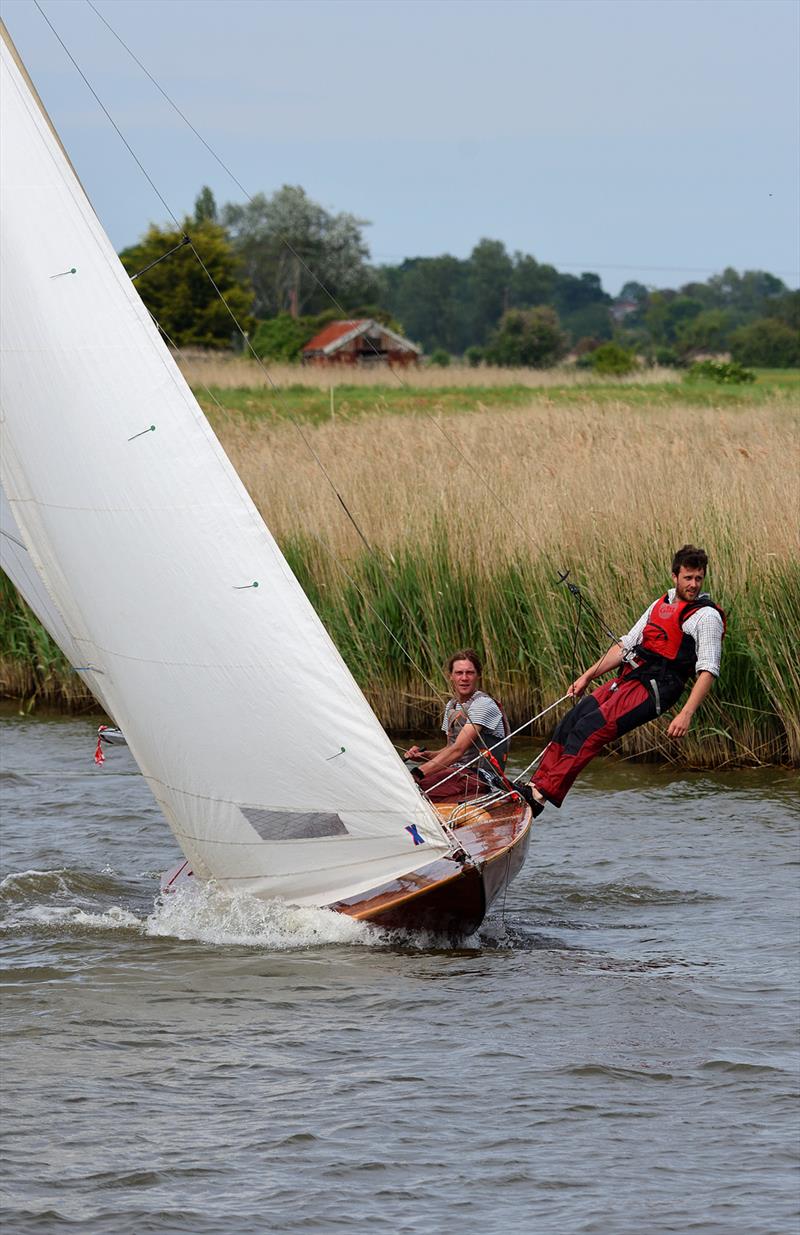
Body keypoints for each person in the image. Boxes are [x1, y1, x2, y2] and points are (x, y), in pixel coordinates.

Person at [528, 545, 725, 815]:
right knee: (575, 717)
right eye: (687, 577)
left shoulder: (706, 617)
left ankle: (540, 796)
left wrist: (686, 714)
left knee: (592, 727)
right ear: (674, 576)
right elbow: (625, 646)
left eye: (698, 578)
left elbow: (708, 670)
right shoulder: (660, 604)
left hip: (659, 689)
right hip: (635, 674)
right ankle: (534, 786)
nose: (693, 584)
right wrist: (587, 676)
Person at [404, 649, 509, 801]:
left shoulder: (483, 704)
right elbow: (449, 748)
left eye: (470, 673)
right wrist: (427, 757)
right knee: (414, 788)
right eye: (459, 673)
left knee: (415, 791)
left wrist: (417, 773)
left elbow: (458, 750)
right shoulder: (451, 706)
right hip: (456, 772)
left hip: (482, 778)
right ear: (451, 676)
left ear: (478, 676)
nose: (464, 678)